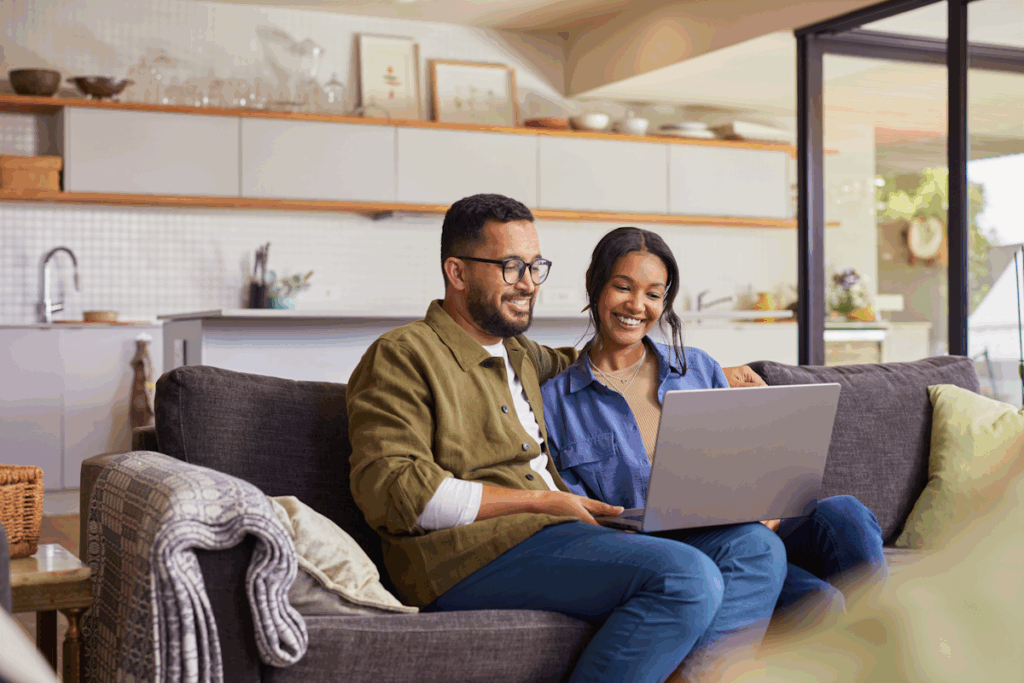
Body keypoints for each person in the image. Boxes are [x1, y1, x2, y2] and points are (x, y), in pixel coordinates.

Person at [347, 194, 787, 683]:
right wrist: (537, 503)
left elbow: (604, 365)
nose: (529, 284)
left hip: (562, 532)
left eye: (536, 267)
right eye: (511, 267)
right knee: (684, 576)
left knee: (755, 548)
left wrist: (713, 375)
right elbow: (393, 492)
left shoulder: (521, 356)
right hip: (466, 555)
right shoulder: (402, 354)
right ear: (457, 272)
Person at [540, 226, 888, 634]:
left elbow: (754, 465)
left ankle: (895, 650)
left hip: (756, 527)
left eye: (653, 294)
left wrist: (770, 510)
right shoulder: (558, 402)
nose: (637, 305)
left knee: (845, 512)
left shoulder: (698, 368)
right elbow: (588, 523)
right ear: (596, 286)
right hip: (685, 551)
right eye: (623, 287)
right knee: (821, 604)